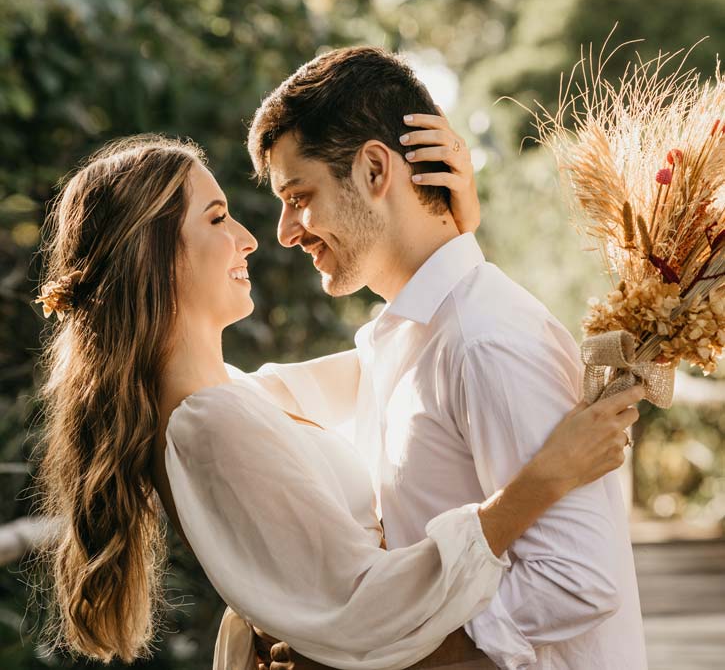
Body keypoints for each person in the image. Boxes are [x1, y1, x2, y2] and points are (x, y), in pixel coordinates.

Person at [31, 133, 642, 670]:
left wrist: (448, 239)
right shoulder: (208, 424)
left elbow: (403, 354)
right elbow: (362, 602)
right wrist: (543, 480)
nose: (249, 238)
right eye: (217, 219)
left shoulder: (238, 396)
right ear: (153, 253)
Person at [242, 46, 649, 669]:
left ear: (376, 170)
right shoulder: (401, 337)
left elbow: (578, 578)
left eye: (299, 195)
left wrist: (371, 661)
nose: (285, 230)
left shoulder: (486, 339)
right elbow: (247, 398)